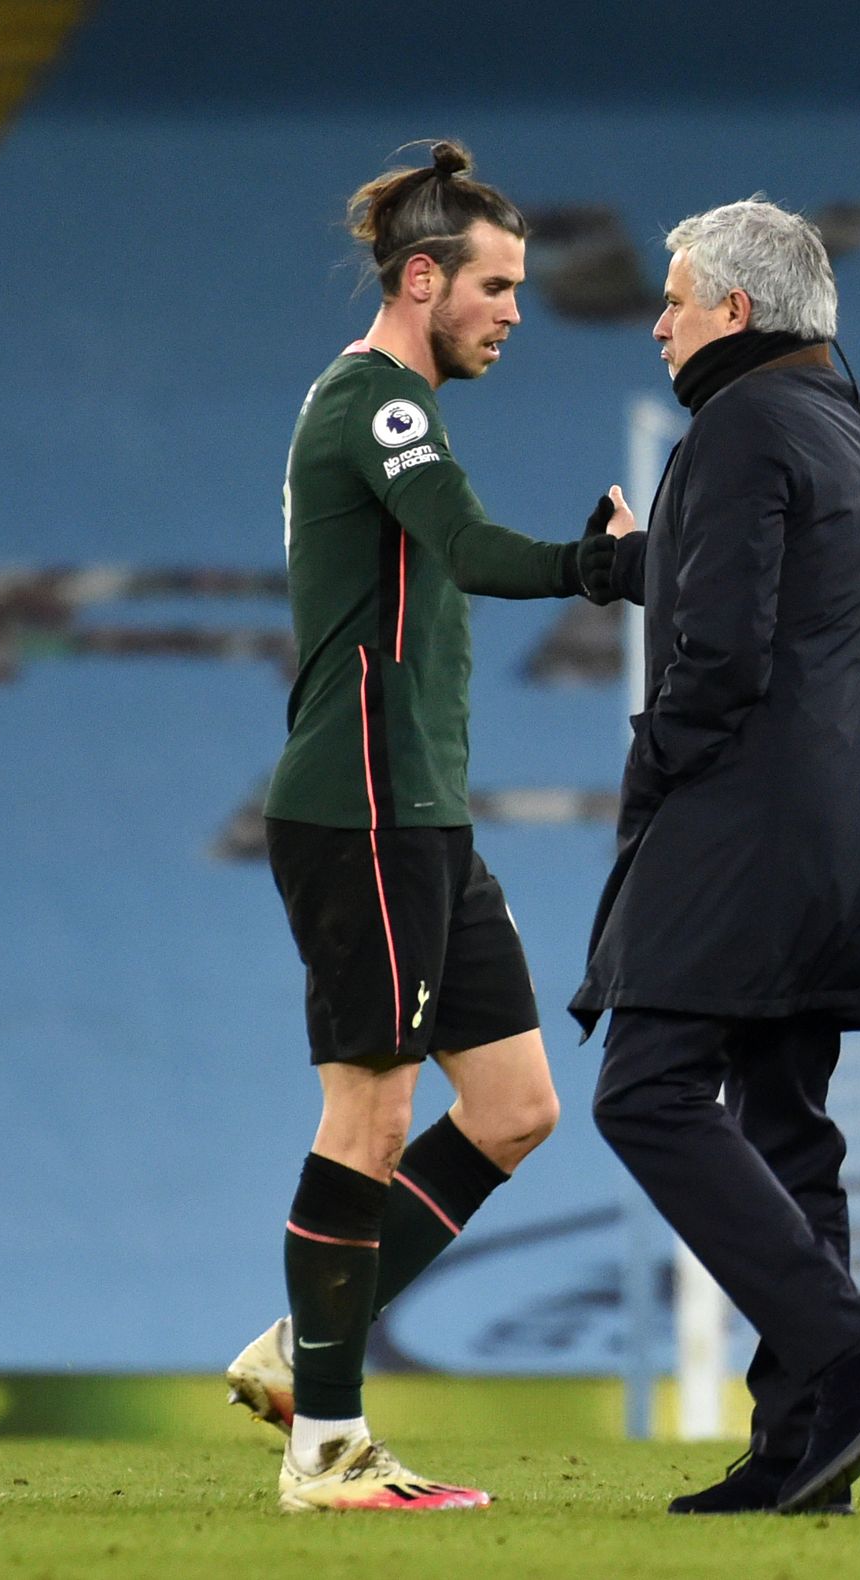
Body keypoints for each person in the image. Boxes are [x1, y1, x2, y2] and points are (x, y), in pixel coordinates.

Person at [225, 139, 628, 1515]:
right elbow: (464, 544)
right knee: (375, 1111)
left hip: (427, 820)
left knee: (514, 1109)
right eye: (497, 284)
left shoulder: (404, 406)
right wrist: (602, 566)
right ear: (422, 278)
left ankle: (302, 1354)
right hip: (364, 813)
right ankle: (325, 1446)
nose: (516, 309)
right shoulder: (377, 405)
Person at [571, 198, 860, 1516]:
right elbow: (760, 584)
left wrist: (656, 764)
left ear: (736, 308)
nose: (658, 318)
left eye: (676, 297)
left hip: (742, 828)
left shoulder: (734, 426)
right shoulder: (839, 421)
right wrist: (633, 561)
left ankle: (856, 1359)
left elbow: (723, 652)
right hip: (840, 829)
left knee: (647, 1092)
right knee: (787, 1129)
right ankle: (808, 1452)